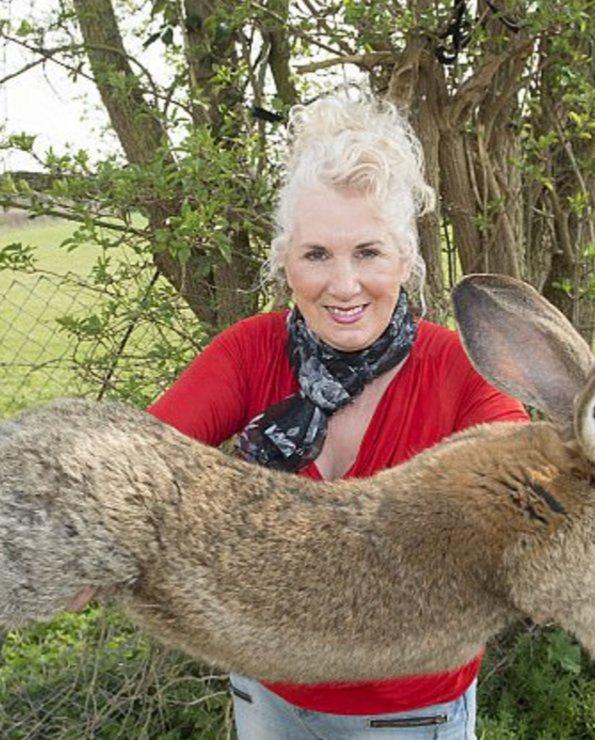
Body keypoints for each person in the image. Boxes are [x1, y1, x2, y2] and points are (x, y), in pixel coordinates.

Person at [147, 90, 528, 738]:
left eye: (368, 253)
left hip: (412, 715)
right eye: (317, 254)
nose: (344, 285)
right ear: (286, 262)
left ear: (406, 260)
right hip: (268, 694)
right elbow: (134, 460)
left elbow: (528, 490)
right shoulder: (249, 353)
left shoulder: (458, 371)